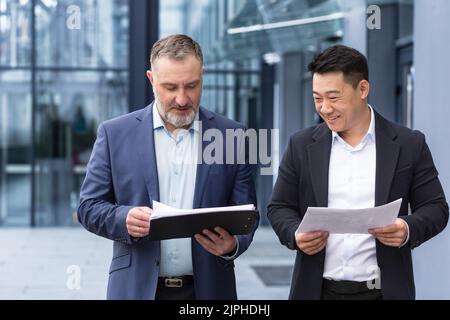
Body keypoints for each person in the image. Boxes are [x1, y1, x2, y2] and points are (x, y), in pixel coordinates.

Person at [78, 34, 257, 300]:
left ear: (203, 76)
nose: (182, 99)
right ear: (151, 80)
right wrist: (123, 218)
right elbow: (88, 207)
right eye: (171, 87)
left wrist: (233, 245)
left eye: (192, 86)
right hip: (135, 289)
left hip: (208, 291)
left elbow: (248, 214)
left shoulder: (233, 136)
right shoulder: (114, 133)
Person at [267, 45, 448, 300]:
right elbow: (279, 207)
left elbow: (436, 208)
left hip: (384, 292)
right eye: (317, 98)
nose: (325, 108)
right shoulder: (301, 145)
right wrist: (295, 234)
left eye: (334, 97)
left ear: (363, 89)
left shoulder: (409, 144)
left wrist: (406, 228)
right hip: (316, 291)